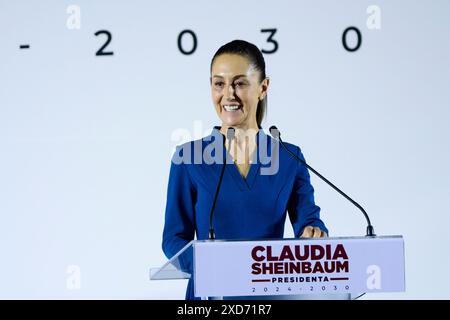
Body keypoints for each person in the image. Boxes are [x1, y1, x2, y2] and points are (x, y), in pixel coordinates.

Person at [162, 39, 328, 300]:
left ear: (263, 87)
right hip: (210, 297)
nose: (229, 94)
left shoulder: (288, 158)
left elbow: (309, 222)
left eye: (240, 83)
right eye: (219, 84)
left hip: (271, 297)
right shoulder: (188, 158)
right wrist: (207, 267)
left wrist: (313, 233)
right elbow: (173, 239)